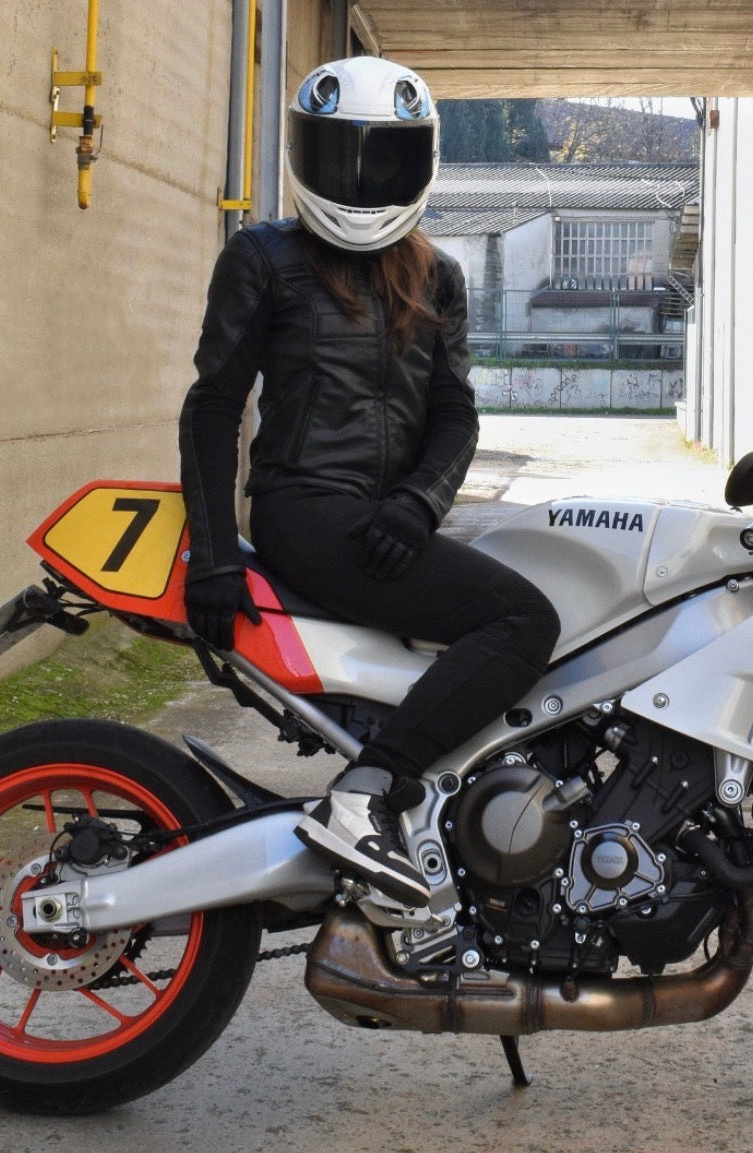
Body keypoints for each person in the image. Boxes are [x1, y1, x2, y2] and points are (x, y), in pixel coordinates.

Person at [178, 56, 560, 908]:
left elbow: (455, 416)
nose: (359, 177)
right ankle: (367, 793)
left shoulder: (438, 277)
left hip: (388, 522)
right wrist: (211, 554)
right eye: (340, 154)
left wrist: (419, 503)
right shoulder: (263, 257)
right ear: (304, 155)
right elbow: (212, 408)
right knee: (523, 617)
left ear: (418, 162)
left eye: (382, 157)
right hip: (306, 514)